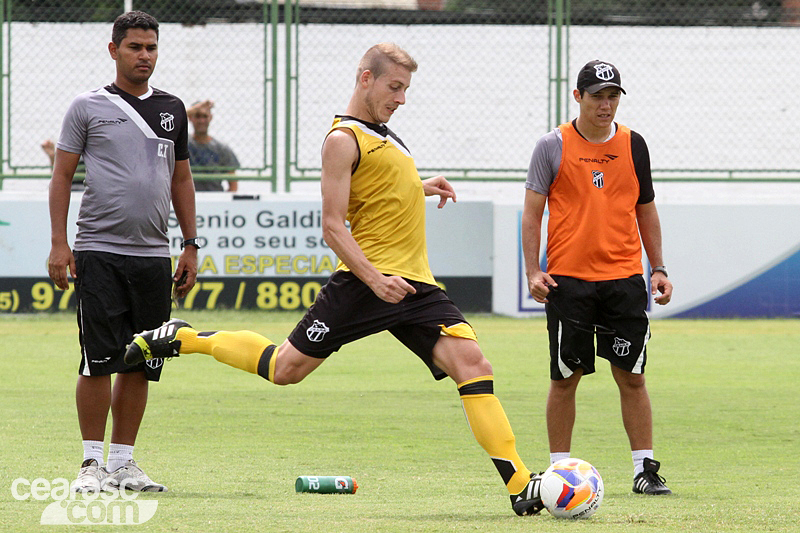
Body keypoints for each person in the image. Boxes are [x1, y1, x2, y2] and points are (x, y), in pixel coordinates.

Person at [126, 43, 545, 516]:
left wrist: (420, 185)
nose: (401, 98)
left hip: (417, 286)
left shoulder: (387, 137)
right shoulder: (343, 139)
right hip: (367, 283)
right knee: (285, 369)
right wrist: (374, 280)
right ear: (365, 79)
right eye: (394, 87)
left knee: (474, 366)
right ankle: (184, 337)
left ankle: (521, 486)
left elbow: (381, 188)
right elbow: (333, 226)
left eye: (406, 89)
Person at [47, 11, 199, 493]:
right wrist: (58, 242)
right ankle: (90, 465)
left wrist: (190, 245)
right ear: (113, 50)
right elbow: (62, 176)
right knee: (97, 359)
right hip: (98, 250)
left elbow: (181, 178)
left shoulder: (173, 109)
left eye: (151, 48)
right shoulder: (87, 106)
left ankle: (123, 464)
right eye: (135, 47)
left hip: (154, 255)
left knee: (143, 360)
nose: (145, 56)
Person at [521, 60, 674, 495]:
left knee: (632, 376)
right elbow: (532, 215)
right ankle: (558, 472)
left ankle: (644, 469)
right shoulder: (551, 146)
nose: (605, 105)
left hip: (624, 279)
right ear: (577, 97)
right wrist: (534, 270)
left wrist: (658, 267)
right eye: (597, 96)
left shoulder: (634, 144)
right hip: (568, 281)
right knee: (565, 378)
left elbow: (645, 208)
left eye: (613, 96)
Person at [186, 99, 239, 192]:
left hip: (214, 197)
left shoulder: (221, 148)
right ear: (190, 118)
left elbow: (233, 183)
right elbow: (175, 119)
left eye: (205, 116)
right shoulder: (183, 144)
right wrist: (194, 109)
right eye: (197, 116)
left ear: (210, 118)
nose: (201, 121)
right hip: (189, 197)